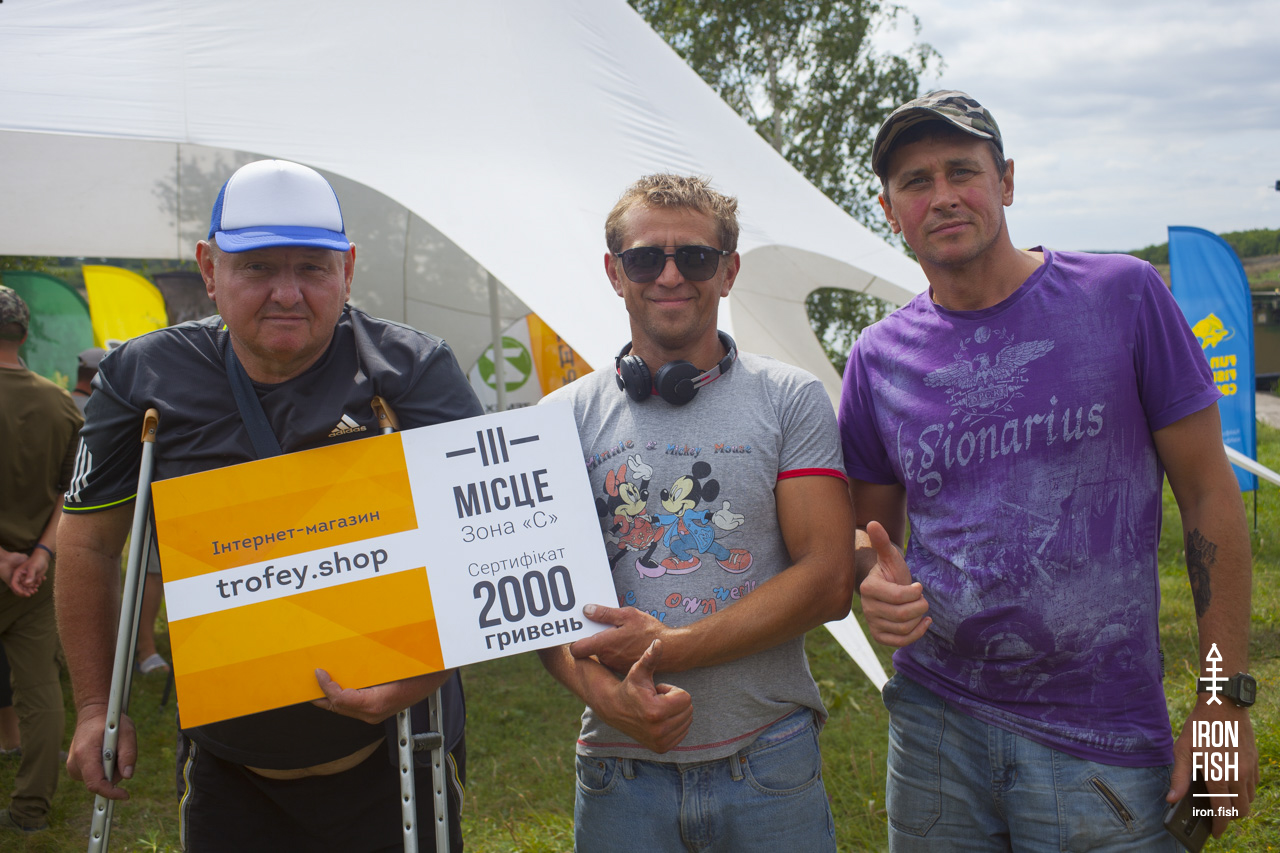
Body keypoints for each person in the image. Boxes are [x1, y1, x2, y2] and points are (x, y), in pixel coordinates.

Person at [839, 90, 1258, 850]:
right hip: (936, 733)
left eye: (962, 171)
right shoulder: (876, 359)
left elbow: (1208, 496)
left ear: (1006, 181)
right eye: (916, 182)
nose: (943, 196)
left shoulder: (1123, 297)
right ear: (889, 210)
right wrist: (873, 579)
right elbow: (869, 536)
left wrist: (1222, 703)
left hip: (1099, 738)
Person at [56, 159, 482, 852]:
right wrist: (96, 706)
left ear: (347, 269)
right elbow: (89, 542)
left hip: (394, 757)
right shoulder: (143, 375)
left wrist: (430, 667)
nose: (287, 293)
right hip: (229, 769)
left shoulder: (411, 370)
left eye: (312, 268)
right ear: (209, 268)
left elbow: (486, 535)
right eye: (257, 267)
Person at [538, 173, 856, 852]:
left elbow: (829, 580)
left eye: (695, 257)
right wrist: (607, 697)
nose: (670, 275)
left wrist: (669, 647)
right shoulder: (556, 419)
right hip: (619, 768)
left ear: (728, 271)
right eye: (644, 258)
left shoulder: (790, 400)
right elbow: (538, 610)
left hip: (768, 759)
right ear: (614, 273)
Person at [0, 285, 81, 834]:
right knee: (41, 690)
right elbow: (71, 492)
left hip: (16, 568)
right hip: (35, 574)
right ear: (25, 334)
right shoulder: (60, 403)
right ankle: (31, 810)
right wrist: (42, 553)